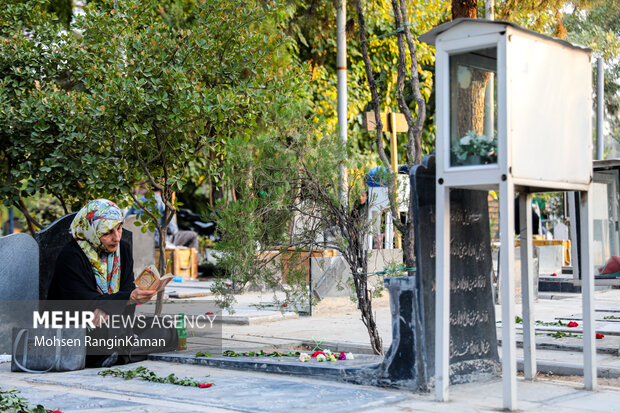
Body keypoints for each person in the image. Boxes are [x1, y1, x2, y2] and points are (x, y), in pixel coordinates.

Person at [47, 199, 158, 367]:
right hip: (77, 327)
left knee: (164, 327)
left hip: (115, 325)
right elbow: (81, 301)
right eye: (107, 232)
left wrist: (110, 305)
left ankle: (120, 351)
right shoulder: (71, 256)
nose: (117, 237)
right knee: (101, 334)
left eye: (119, 228)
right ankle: (123, 351)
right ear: (91, 231)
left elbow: (127, 290)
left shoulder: (123, 251)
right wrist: (122, 300)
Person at [126, 190, 199, 250]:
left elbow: (126, 221)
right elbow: (173, 230)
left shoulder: (137, 202)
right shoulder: (162, 202)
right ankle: (190, 265)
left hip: (139, 241)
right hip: (159, 241)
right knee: (193, 236)